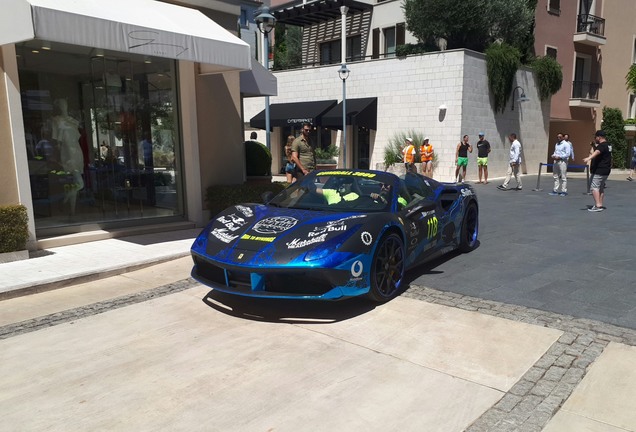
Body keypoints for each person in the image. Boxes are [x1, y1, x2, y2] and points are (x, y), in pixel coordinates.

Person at [51, 98, 84, 214]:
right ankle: (64, 201)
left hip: (76, 151)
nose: (63, 106)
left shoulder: (73, 121)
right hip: (67, 154)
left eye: (65, 103)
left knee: (74, 184)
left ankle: (72, 212)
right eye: (61, 104)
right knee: (79, 183)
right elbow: (56, 142)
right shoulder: (56, 120)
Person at [583, 130, 612, 212]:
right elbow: (601, 152)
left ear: (599, 137)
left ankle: (598, 205)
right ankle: (600, 204)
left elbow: (598, 152)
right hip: (606, 169)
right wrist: (594, 146)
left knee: (594, 187)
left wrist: (589, 158)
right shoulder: (608, 145)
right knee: (601, 187)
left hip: (599, 170)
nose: (595, 138)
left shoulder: (602, 146)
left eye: (595, 137)